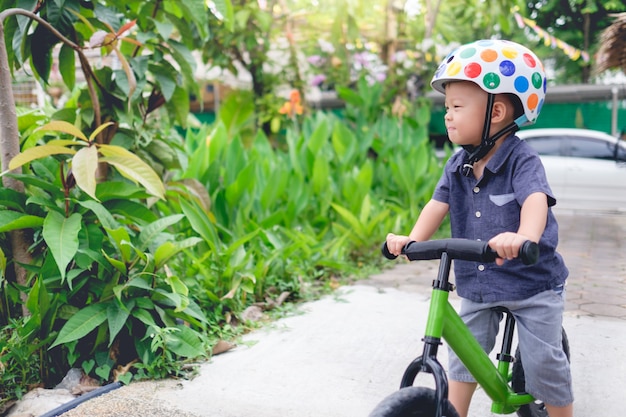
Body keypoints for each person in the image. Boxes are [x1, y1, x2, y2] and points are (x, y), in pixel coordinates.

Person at [385, 39, 574, 417]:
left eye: (457, 107)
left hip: (531, 281)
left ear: (498, 111)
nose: (448, 116)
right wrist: (412, 240)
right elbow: (436, 204)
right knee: (462, 359)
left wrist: (524, 237)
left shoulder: (522, 158)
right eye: (446, 108)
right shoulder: (457, 164)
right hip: (478, 281)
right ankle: (453, 412)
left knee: (543, 365)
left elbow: (536, 200)